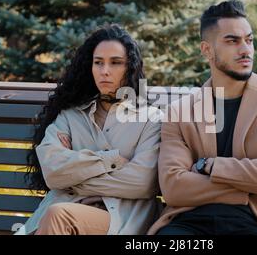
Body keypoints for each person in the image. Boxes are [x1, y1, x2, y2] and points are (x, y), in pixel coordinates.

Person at [147, 0, 257, 235]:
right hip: (187, 223)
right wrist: (246, 189)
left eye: (249, 40)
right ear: (206, 50)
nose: (245, 50)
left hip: (256, 222)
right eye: (232, 41)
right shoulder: (180, 111)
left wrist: (211, 166)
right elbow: (173, 187)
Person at [19, 24, 162, 235]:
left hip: (118, 219)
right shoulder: (70, 116)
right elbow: (52, 174)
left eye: (115, 63)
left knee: (59, 216)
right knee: (57, 216)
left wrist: (73, 179)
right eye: (98, 63)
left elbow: (142, 182)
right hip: (61, 216)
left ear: (129, 67)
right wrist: (112, 160)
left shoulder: (150, 119)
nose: (105, 71)